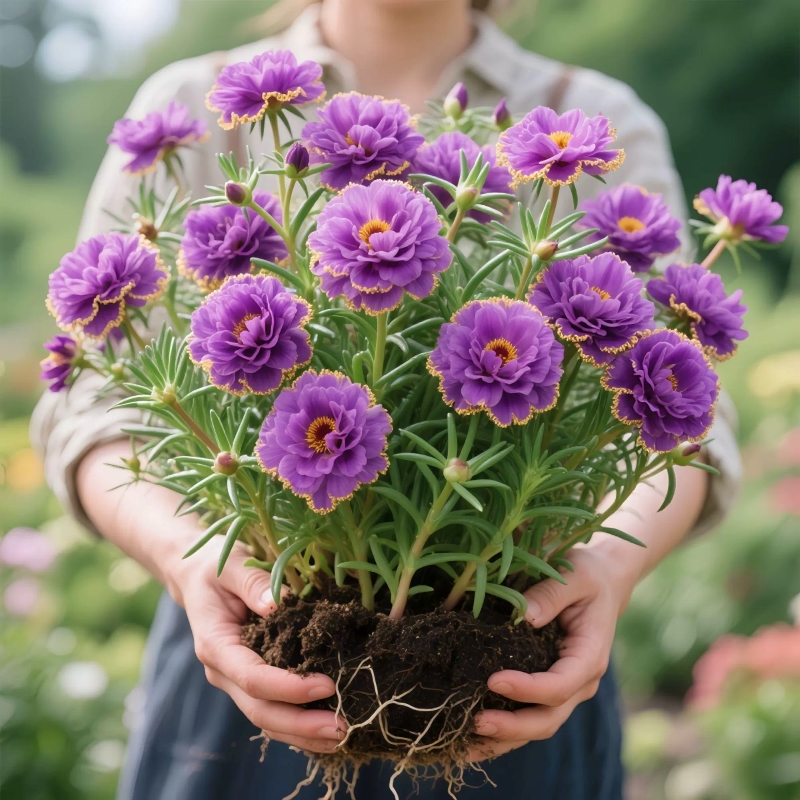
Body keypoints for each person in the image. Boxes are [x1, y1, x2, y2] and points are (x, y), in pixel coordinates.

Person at [31, 0, 742, 797]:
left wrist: (606, 568)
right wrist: (186, 559)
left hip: (519, 665)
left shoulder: (596, 114)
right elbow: (91, 402)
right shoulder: (198, 102)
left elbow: (697, 414)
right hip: (242, 658)